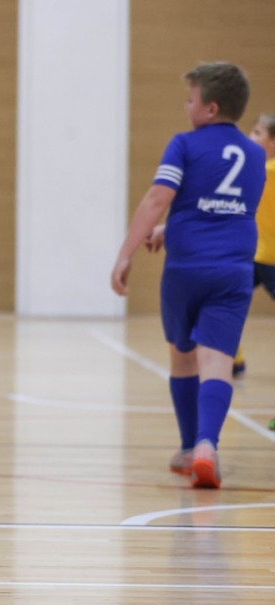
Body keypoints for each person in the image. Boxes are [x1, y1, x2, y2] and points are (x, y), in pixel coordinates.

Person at [111, 62, 266, 489]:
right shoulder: (256, 154)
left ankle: (184, 448)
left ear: (210, 108)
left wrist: (126, 253)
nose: (186, 106)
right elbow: (227, 207)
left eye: (190, 99)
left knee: (183, 357)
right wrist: (172, 227)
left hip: (186, 268)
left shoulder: (183, 144)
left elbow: (158, 197)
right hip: (233, 270)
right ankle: (206, 446)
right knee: (217, 362)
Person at [231, 112, 275, 378]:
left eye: (258, 133)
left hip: (272, 259)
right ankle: (234, 360)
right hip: (252, 255)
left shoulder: (265, 169)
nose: (250, 137)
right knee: (228, 304)